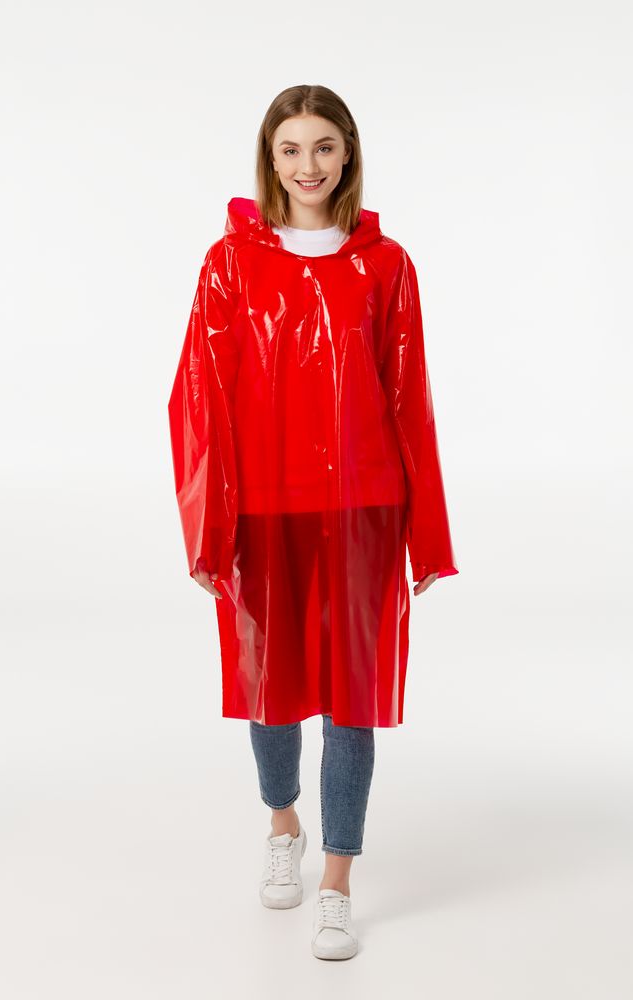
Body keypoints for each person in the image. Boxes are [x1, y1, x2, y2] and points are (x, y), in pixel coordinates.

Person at [167, 84, 459, 961]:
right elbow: (199, 398)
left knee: (352, 698)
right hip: (264, 507)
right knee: (270, 684)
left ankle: (336, 879)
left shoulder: (386, 264)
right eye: (290, 149)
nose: (308, 165)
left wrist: (427, 533)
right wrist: (207, 528)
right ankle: (282, 823)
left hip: (364, 506)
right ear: (270, 159)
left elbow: (409, 399)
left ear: (347, 154)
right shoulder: (229, 263)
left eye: (323, 147)